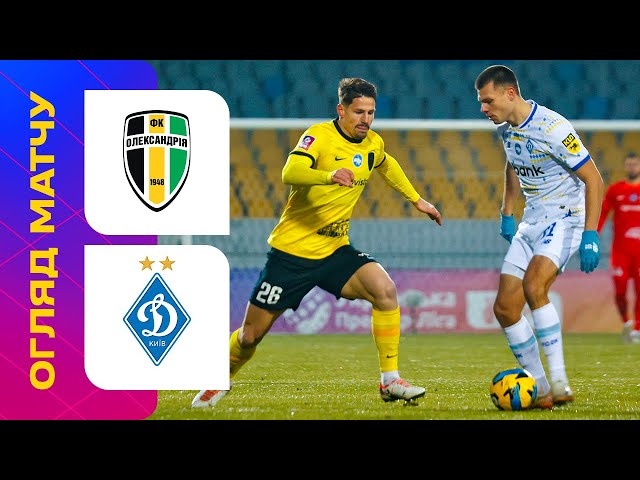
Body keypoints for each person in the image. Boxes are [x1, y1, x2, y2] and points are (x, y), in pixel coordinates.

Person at [192, 77, 443, 409]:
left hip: (334, 249)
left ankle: (389, 380)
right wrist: (328, 175)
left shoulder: (373, 143)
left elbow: (385, 163)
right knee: (250, 336)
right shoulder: (318, 136)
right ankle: (218, 378)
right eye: (359, 112)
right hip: (292, 253)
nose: (366, 119)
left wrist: (416, 200)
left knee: (384, 290)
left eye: (371, 112)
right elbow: (290, 171)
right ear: (341, 110)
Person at [474, 65, 604, 409]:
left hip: (565, 218)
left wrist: (590, 232)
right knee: (505, 308)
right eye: (481, 102)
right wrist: (506, 211)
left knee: (534, 287)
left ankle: (560, 383)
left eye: (488, 101)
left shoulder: (554, 128)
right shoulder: (506, 129)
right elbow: (512, 165)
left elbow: (594, 179)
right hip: (531, 221)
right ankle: (542, 389)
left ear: (509, 93)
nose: (484, 108)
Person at [597, 151, 640, 343]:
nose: (632, 167)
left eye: (635, 164)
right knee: (620, 291)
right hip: (620, 252)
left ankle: (637, 329)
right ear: (625, 166)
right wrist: (593, 235)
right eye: (629, 164)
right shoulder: (616, 190)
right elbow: (603, 213)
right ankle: (626, 322)